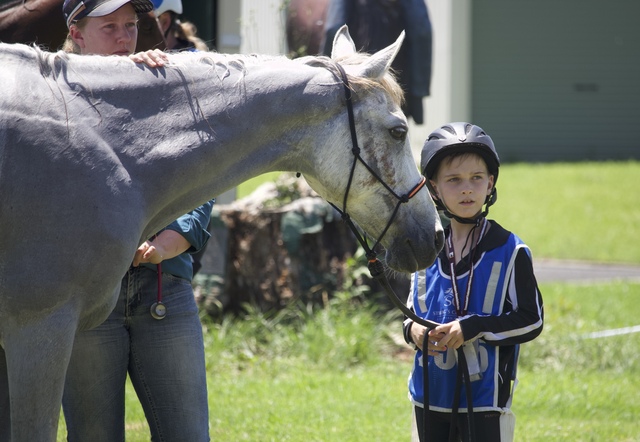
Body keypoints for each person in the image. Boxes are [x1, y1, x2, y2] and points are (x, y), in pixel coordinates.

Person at [60, 0, 213, 440]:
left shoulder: (160, 84)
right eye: (109, 27)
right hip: (87, 296)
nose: (125, 38)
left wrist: (174, 239)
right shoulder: (52, 97)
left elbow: (201, 172)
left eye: (130, 25)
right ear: (76, 33)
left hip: (165, 287)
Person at [403, 122, 544, 441]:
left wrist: (473, 327)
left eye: (476, 178)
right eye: (453, 180)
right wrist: (413, 332)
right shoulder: (425, 250)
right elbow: (410, 315)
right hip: (428, 398)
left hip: (484, 402)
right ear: (434, 189)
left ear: (490, 183)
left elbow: (531, 320)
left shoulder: (511, 250)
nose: (466, 188)